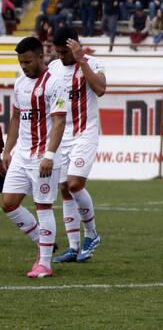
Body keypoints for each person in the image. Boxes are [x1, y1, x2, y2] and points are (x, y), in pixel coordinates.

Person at [1, 37, 67, 278]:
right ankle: (43, 241)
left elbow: (60, 121)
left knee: (43, 206)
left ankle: (45, 263)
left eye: (28, 61)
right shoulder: (20, 84)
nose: (24, 66)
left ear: (41, 57)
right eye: (20, 62)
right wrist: (7, 151)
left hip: (43, 157)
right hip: (21, 155)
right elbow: (16, 118)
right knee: (8, 203)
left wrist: (50, 155)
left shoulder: (54, 83)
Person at [46, 29, 106, 264]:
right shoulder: (53, 68)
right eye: (58, 52)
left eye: (65, 52)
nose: (61, 57)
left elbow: (100, 89)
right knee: (63, 188)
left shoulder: (93, 62)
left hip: (85, 133)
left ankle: (91, 234)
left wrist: (81, 60)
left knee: (74, 183)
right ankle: (73, 247)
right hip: (61, 135)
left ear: (75, 46)